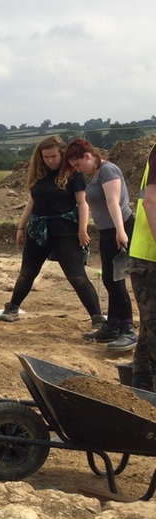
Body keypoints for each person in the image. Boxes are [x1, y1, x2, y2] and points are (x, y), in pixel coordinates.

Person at [0, 135, 103, 328]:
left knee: (77, 276)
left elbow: (82, 203)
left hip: (65, 231)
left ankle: (97, 317)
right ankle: (12, 307)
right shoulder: (38, 174)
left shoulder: (74, 174)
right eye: (45, 157)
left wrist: (83, 230)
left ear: (61, 154)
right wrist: (21, 227)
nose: (49, 160)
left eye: (53, 156)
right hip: (38, 230)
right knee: (27, 273)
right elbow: (32, 202)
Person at [62, 138, 137, 350]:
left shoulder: (108, 171)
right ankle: (112, 325)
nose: (78, 170)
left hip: (118, 228)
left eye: (78, 165)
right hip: (108, 230)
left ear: (88, 156)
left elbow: (114, 202)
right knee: (108, 278)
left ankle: (128, 329)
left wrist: (121, 231)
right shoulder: (96, 173)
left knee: (116, 280)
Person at [128, 140, 156, 391]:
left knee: (148, 337)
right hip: (151, 260)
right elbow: (152, 202)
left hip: (146, 260)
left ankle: (142, 404)